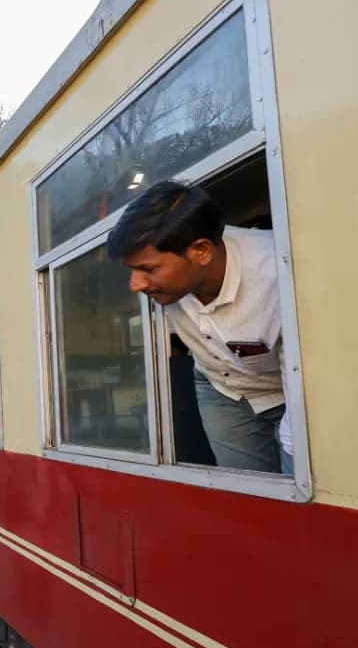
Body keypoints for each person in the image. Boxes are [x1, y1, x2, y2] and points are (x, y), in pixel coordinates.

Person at [106, 180, 289, 474]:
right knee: (245, 491)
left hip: (291, 387)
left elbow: (309, 384)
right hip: (219, 387)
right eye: (132, 270)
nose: (135, 285)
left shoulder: (277, 274)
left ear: (201, 251)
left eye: (149, 270)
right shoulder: (168, 283)